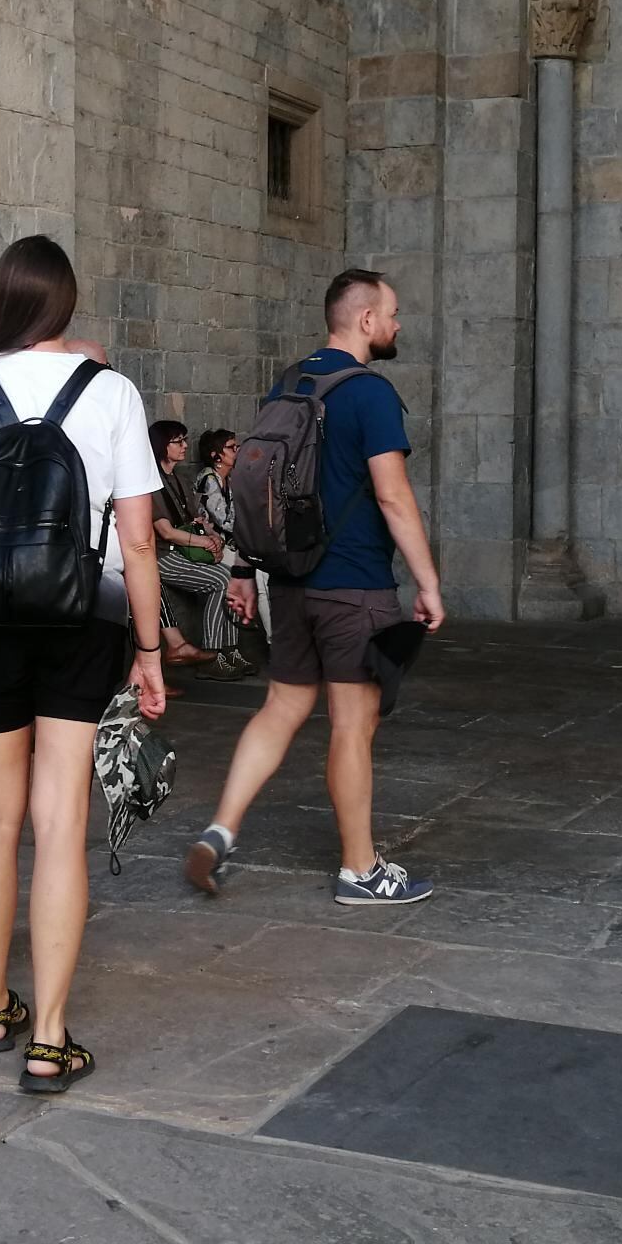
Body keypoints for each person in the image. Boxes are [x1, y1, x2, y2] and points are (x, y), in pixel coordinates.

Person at [0, 235, 168, 1094]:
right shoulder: (111, 391)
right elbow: (138, 541)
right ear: (66, 300)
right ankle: (50, 1040)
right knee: (60, 821)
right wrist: (150, 650)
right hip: (80, 621)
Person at [186, 269, 445, 904]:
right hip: (354, 586)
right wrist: (428, 581)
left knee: (281, 707)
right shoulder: (370, 394)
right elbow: (393, 496)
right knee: (352, 726)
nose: (397, 325)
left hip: (290, 583)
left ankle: (221, 830)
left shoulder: (288, 384)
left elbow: (257, 490)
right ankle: (361, 870)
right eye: (392, 313)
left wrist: (243, 569)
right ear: (365, 320)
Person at [150, 417, 250, 679]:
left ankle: (229, 649)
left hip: (184, 549)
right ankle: (212, 655)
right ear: (162, 446)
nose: (185, 445)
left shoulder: (180, 479)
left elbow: (198, 521)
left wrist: (213, 538)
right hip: (163, 555)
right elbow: (166, 532)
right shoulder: (152, 483)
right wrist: (204, 541)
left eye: (184, 440)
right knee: (221, 580)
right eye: (178, 441)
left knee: (233, 575)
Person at [195, 426, 269, 635]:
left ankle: (273, 638)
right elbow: (226, 520)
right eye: (231, 447)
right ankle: (272, 640)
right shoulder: (209, 479)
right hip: (214, 544)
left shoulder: (229, 477)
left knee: (264, 573)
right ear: (216, 456)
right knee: (257, 577)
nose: (237, 451)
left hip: (233, 543)